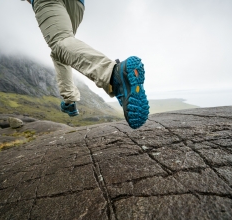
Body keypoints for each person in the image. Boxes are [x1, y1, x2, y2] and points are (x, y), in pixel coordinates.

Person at [22, 0, 149, 129]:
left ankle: (113, 75)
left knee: (59, 42)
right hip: (77, 4)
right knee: (61, 50)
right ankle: (69, 100)